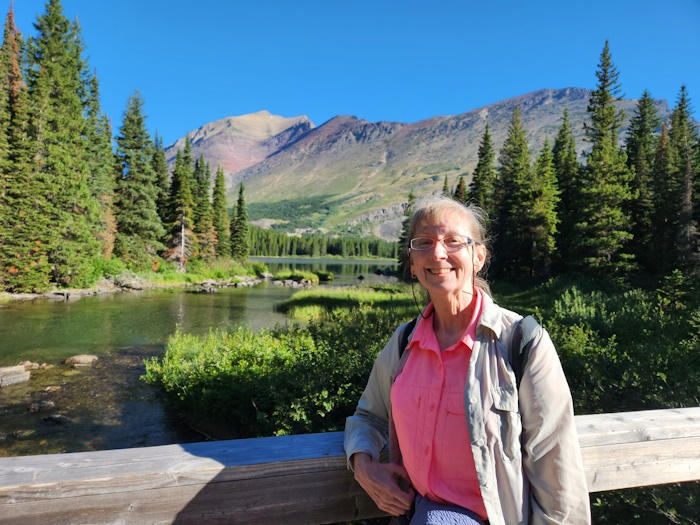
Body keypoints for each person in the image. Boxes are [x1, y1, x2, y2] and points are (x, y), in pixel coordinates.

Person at [344, 196, 591, 525]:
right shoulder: (403, 343)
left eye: (453, 241)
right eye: (424, 243)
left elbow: (558, 476)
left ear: (478, 257)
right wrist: (363, 464)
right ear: (413, 262)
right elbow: (369, 416)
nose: (438, 253)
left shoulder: (522, 344)